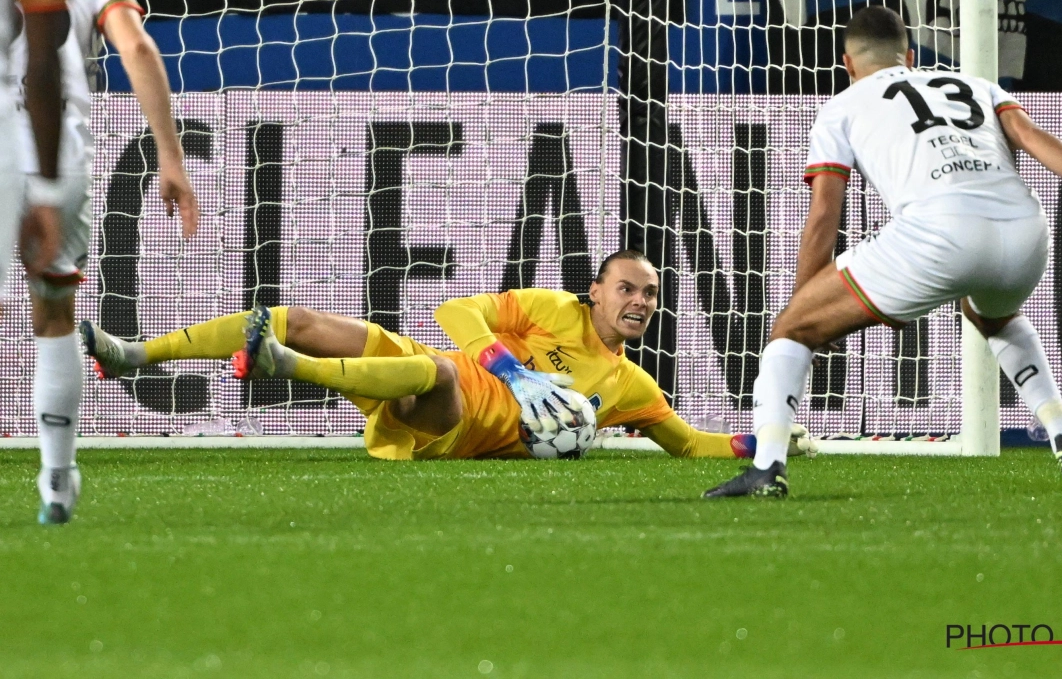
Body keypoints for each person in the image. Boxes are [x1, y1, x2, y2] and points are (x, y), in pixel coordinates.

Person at [706, 6, 1062, 498]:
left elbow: (823, 218)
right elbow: (1030, 136)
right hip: (1026, 234)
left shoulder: (844, 104)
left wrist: (805, 303)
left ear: (847, 64)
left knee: (792, 329)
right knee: (993, 316)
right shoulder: (974, 85)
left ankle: (767, 468)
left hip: (940, 233)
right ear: (911, 56)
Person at [80, 250, 815, 462]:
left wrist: (771, 440)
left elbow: (690, 445)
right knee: (297, 316)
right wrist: (513, 369)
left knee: (432, 372)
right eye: (628, 288)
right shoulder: (551, 309)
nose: (640, 303)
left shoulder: (626, 384)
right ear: (595, 292)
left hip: (449, 425)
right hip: (420, 366)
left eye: (651, 295)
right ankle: (132, 354)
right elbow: (451, 311)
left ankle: (281, 367)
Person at [10, 0, 199, 524]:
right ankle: (57, 480)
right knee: (54, 314)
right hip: (55, 160)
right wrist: (170, 157)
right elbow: (136, 47)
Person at [0, 0, 74, 524]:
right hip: (16, 133)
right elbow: (42, 60)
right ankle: (56, 475)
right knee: (52, 303)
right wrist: (44, 189)